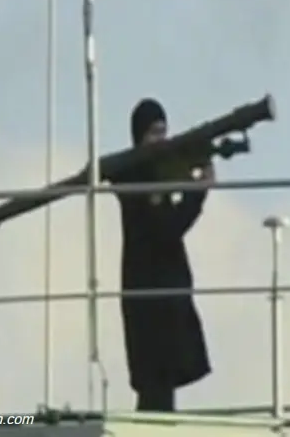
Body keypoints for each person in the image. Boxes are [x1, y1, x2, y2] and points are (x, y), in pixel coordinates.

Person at [113, 98, 213, 412]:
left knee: (160, 385)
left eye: (163, 132)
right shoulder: (134, 177)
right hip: (151, 294)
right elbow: (167, 228)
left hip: (159, 292)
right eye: (154, 133)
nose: (161, 140)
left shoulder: (146, 175)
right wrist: (197, 193)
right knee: (155, 386)